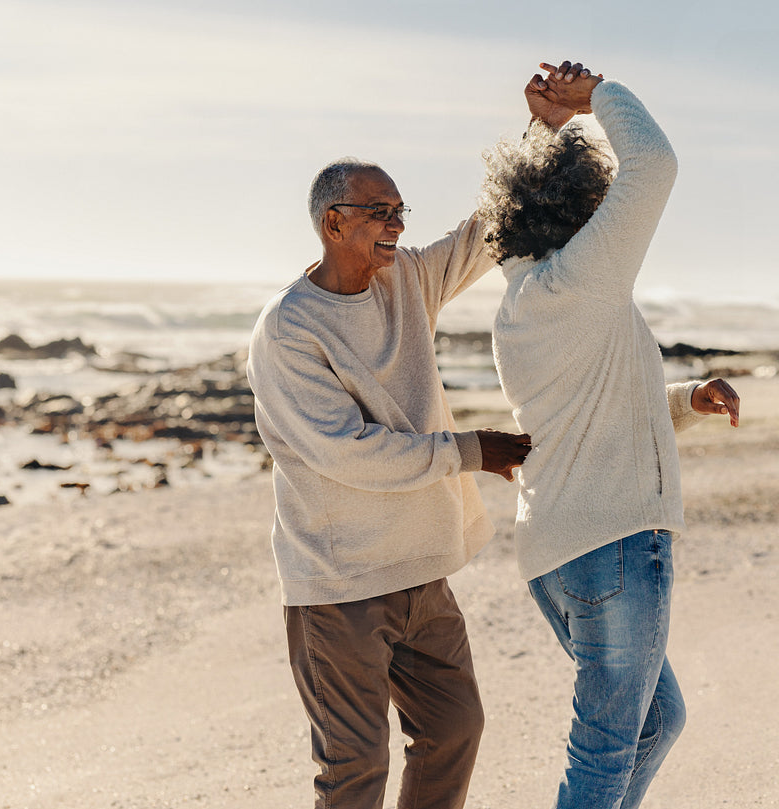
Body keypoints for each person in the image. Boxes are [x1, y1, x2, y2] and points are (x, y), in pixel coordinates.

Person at [244, 62, 579, 807]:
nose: (397, 224)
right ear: (333, 222)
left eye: (400, 210)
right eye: (379, 211)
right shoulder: (289, 329)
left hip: (421, 574)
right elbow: (345, 452)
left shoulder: (406, 281)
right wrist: (471, 452)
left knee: (455, 729)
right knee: (355, 769)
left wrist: (542, 130)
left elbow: (482, 234)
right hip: (339, 585)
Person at [480, 63, 742, 809]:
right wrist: (596, 97)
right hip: (612, 547)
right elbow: (654, 164)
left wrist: (684, 401)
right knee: (601, 755)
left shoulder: (524, 295)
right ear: (583, 207)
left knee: (657, 721)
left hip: (558, 554)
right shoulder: (583, 282)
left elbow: (597, 408)